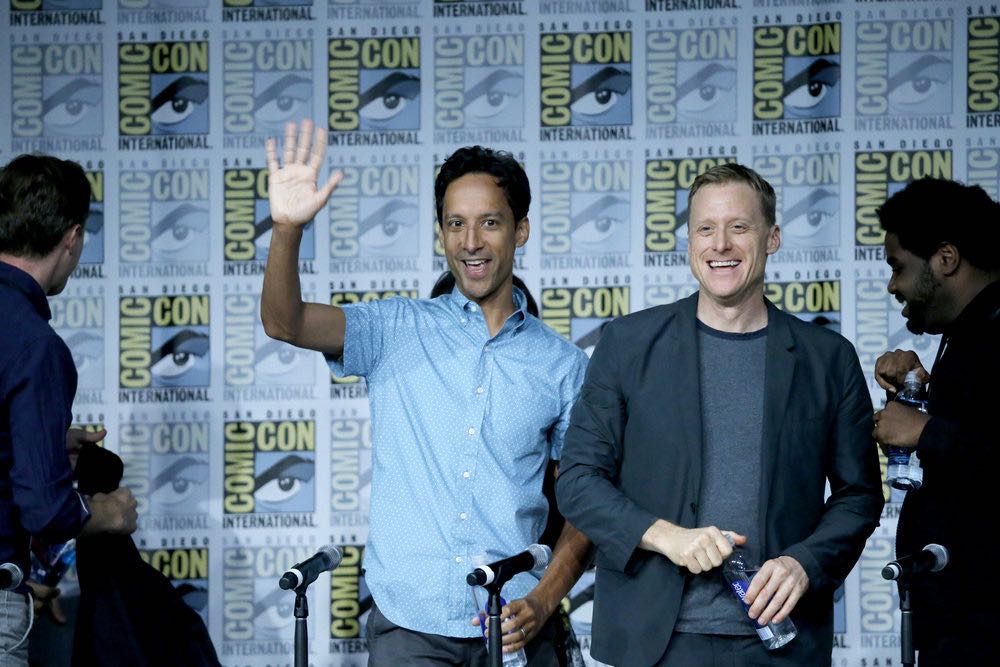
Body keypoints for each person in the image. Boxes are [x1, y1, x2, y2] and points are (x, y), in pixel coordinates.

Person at [261, 120, 590, 665]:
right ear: (440, 233)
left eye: (490, 222)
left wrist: (544, 597)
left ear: (521, 230)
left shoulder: (563, 365)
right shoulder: (394, 328)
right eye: (455, 223)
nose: (471, 242)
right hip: (409, 623)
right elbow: (284, 321)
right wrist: (287, 228)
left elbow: (586, 502)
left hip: (510, 627)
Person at [556, 163, 883, 666]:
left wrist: (805, 562)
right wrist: (666, 535)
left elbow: (858, 495)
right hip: (653, 640)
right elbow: (578, 480)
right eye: (706, 229)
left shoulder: (828, 358)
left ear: (771, 238)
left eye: (739, 227)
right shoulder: (627, 343)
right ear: (689, 241)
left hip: (779, 641)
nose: (721, 244)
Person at [0, 154, 138, 666]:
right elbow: (44, 508)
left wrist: (44, 440)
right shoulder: (36, 345)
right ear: (72, 238)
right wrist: (105, 514)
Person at [872, 178, 1000, 665]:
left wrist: (925, 431)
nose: (892, 285)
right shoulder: (969, 333)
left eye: (898, 267)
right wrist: (922, 394)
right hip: (963, 627)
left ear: (945, 259)